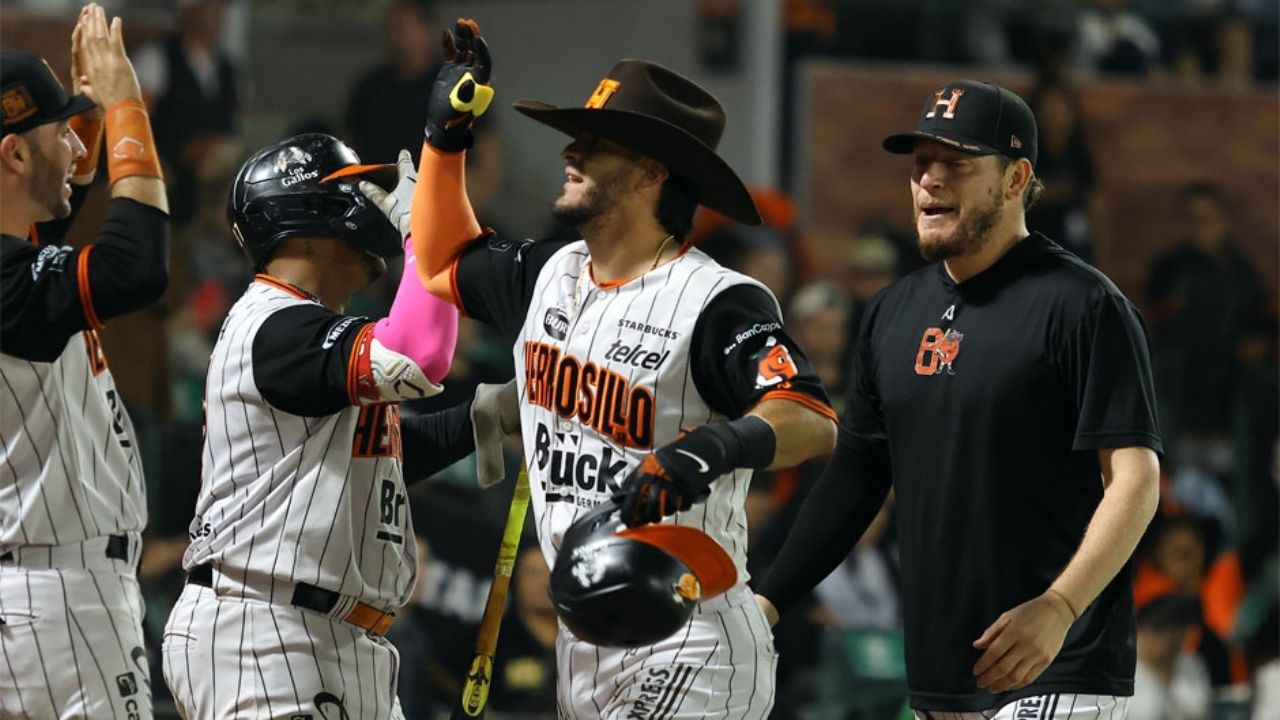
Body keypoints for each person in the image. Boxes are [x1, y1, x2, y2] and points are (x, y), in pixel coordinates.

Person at [409, 21, 838, 719]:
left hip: (688, 632)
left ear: (650, 171)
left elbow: (810, 418)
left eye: (596, 143)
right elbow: (439, 262)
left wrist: (713, 447)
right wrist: (445, 138)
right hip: (585, 635)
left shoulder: (715, 300)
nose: (570, 151)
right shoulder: (547, 270)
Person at [754, 79, 1163, 718]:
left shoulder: (1084, 305)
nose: (930, 182)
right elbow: (857, 475)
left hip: (1059, 663)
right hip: (939, 673)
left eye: (956, 165)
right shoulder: (893, 310)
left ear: (1015, 177)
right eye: (921, 166)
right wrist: (766, 602)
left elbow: (1135, 481)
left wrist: (1059, 606)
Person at [158, 136, 466, 718]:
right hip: (268, 631)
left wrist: (482, 421)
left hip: (323, 636)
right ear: (301, 218)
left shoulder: (298, 328)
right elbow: (420, 354)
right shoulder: (276, 327)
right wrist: (427, 238)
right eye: (350, 189)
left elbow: (368, 457)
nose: (371, 204)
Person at [0, 4, 170, 717]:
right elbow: (136, 267)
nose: (75, 150)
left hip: (44, 593)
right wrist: (128, 105)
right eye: (56, 134)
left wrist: (93, 119)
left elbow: (57, 214)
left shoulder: (16, 262)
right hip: (58, 599)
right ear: (11, 154)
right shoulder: (7, 279)